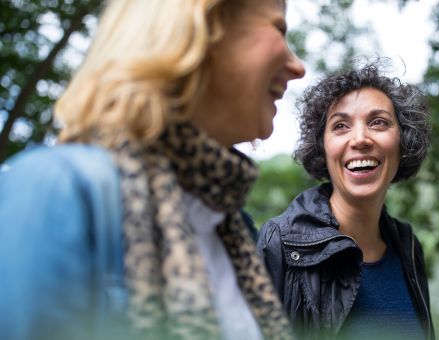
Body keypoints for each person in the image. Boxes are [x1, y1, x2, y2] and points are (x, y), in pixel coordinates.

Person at [0, 0, 304, 339]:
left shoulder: (233, 230)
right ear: (201, 28)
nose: (298, 66)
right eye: (278, 28)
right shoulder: (56, 191)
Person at [257, 62, 435, 340]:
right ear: (323, 148)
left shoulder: (409, 246)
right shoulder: (278, 243)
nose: (360, 139)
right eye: (340, 125)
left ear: (403, 143)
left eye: (378, 122)